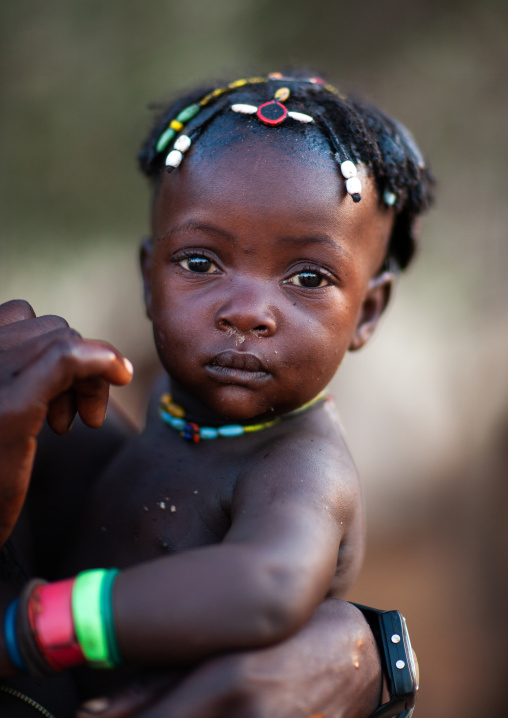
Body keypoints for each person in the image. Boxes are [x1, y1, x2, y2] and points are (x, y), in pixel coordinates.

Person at [0, 71, 432, 716]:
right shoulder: (166, 410)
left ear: (367, 313)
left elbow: (268, 585)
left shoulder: (298, 464)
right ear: (150, 279)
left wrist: (37, 626)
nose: (248, 312)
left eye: (308, 276)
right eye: (201, 263)